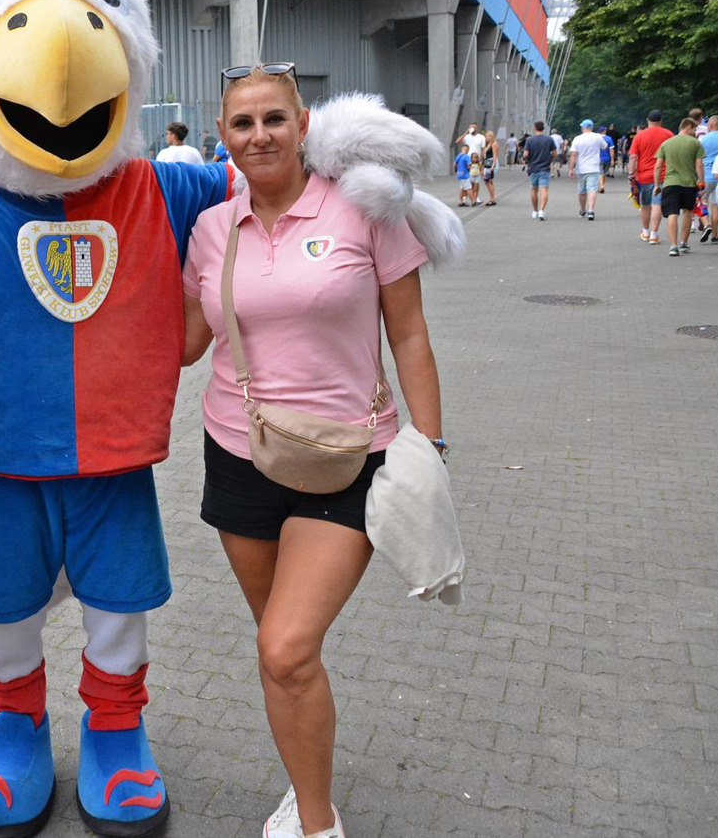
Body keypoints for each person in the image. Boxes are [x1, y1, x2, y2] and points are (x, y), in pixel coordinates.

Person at [180, 63, 444, 838]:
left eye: (274, 119)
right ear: (222, 136)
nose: (259, 135)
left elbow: (409, 333)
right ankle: (306, 791)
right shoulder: (211, 229)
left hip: (351, 457)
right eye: (242, 122)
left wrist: (430, 445)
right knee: (281, 655)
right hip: (239, 455)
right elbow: (184, 344)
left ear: (303, 125)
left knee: (287, 646)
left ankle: (318, 824)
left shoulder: (364, 208)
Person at [654, 117, 705, 257]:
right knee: (687, 212)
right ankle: (683, 242)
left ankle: (673, 246)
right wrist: (701, 182)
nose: (695, 132)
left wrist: (657, 184)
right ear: (688, 127)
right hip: (689, 183)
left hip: (670, 183)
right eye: (694, 129)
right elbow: (699, 165)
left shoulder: (666, 143)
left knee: (672, 213)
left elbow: (658, 166)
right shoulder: (695, 143)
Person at [627, 110, 673, 243]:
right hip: (663, 175)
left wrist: (631, 174)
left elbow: (633, 156)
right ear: (661, 121)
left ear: (648, 120)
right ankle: (654, 234)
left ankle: (646, 232)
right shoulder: (669, 134)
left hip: (644, 176)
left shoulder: (639, 136)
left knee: (645, 205)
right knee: (657, 204)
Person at [568, 119, 606, 220]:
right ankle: (591, 210)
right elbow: (604, 147)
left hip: (581, 168)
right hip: (593, 167)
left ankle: (582, 210)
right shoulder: (597, 137)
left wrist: (571, 169)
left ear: (583, 127)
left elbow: (573, 154)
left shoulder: (577, 138)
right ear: (592, 127)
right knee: (592, 189)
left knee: (582, 190)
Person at [698, 115, 718, 244]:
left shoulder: (703, 139)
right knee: (715, 205)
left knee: (700, 201)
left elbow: (698, 158)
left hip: (706, 175)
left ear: (709, 125)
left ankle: (706, 224)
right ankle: (715, 234)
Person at [522, 121, 555, 220]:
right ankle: (542, 210)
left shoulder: (530, 140)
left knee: (534, 189)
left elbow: (525, 154)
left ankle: (535, 211)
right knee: (544, 189)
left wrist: (526, 161)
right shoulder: (549, 139)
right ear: (543, 128)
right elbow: (554, 153)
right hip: (545, 168)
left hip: (533, 168)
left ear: (534, 128)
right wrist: (550, 160)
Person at [481, 130, 498, 205]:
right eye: (486, 136)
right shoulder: (487, 145)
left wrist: (493, 165)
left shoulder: (494, 144)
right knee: (488, 181)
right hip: (486, 163)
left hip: (490, 163)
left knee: (488, 181)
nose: (487, 137)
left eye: (488, 136)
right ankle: (492, 197)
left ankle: (492, 198)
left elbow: (495, 155)